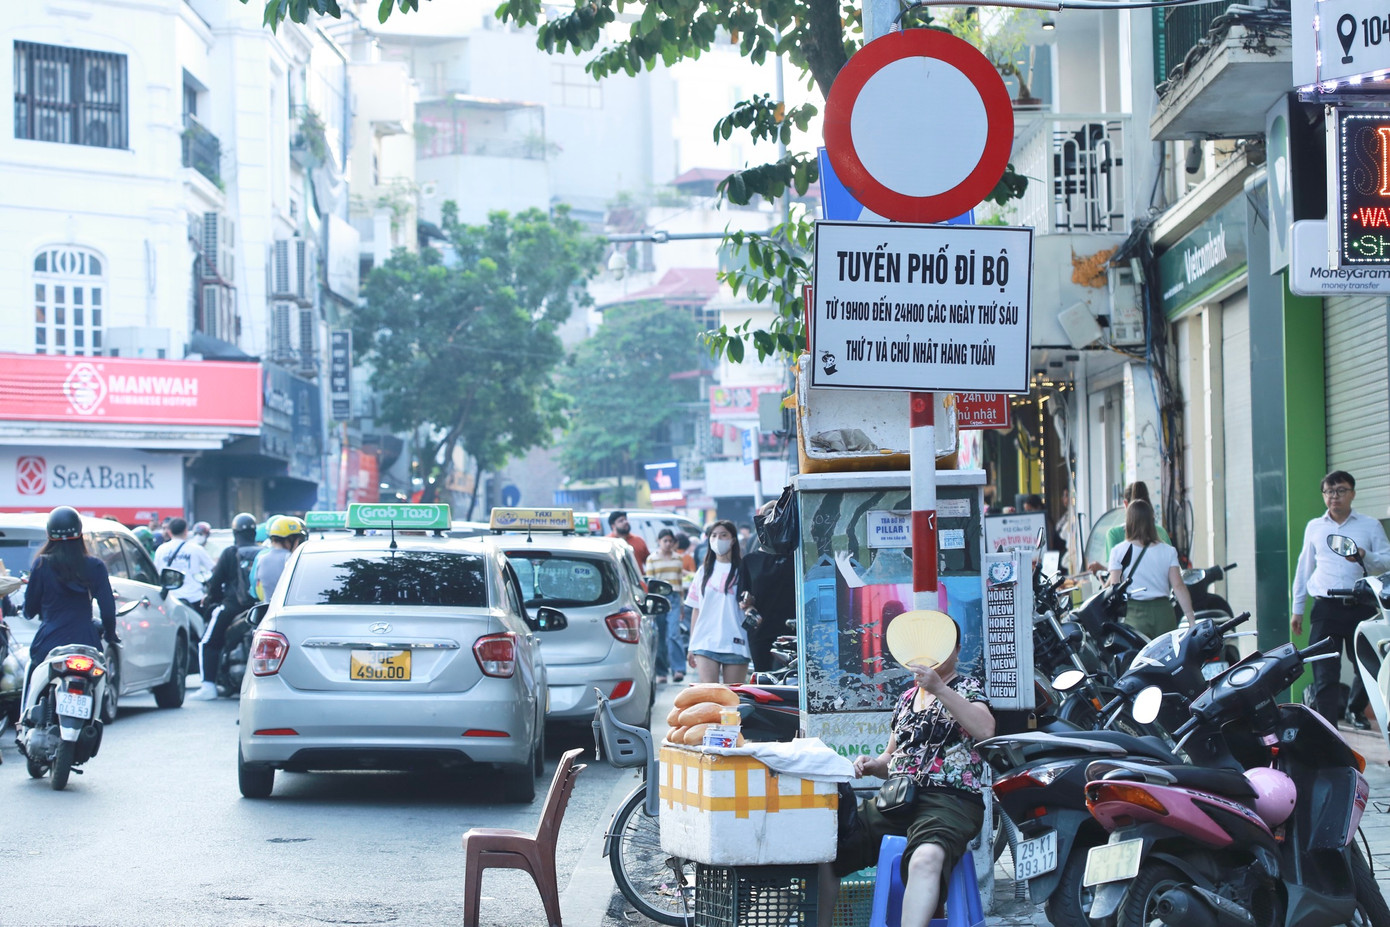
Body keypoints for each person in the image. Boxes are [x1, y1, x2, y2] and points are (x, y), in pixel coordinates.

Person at [822, 637, 995, 927]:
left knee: (925, 858)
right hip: (898, 799)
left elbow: (986, 730)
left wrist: (939, 688)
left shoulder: (967, 688)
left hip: (950, 801)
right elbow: (892, 755)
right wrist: (874, 765)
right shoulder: (906, 698)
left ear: (956, 651)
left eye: (943, 644)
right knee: (827, 845)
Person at [1291, 470, 1390, 728]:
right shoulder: (1315, 527)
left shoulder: (1369, 525)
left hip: (1362, 606)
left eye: (1341, 491)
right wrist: (1297, 609)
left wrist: (1364, 555)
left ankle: (1355, 709)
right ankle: (1326, 727)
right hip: (1326, 607)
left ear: (1352, 493)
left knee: (1368, 666)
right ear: (1324, 495)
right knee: (1325, 670)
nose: (1335, 496)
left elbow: (1387, 561)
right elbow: (1304, 568)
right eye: (1329, 491)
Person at [20, 507, 119, 715]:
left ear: (49, 534)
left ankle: (26, 718)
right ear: (80, 533)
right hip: (87, 643)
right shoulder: (95, 566)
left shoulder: (41, 565)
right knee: (96, 687)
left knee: (33, 677)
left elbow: (29, 610)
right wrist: (110, 634)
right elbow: (108, 611)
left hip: (49, 642)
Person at [193, 513, 261, 701]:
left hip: (232, 606)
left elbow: (216, 582)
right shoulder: (262, 552)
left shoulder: (230, 553)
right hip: (260, 608)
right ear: (254, 532)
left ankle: (208, 685)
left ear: (235, 532)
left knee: (208, 642)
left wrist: (211, 598)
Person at [1107, 499, 1195, 639]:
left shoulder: (1118, 551)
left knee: (1139, 658)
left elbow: (1115, 588)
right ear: (1151, 520)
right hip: (1164, 613)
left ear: (1129, 521)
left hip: (1135, 614)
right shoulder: (1168, 551)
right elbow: (1178, 586)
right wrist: (1190, 618)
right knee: (1167, 659)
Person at [684, 520, 755, 684]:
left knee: (732, 700)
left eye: (723, 535)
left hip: (736, 642)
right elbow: (696, 609)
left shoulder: (743, 571)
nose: (718, 539)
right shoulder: (703, 571)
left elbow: (752, 605)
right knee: (710, 698)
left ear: (733, 540)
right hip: (705, 642)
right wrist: (691, 646)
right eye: (714, 535)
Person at [644, 529, 685, 684]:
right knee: (659, 634)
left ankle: (678, 669)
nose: (668, 544)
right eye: (665, 541)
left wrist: (681, 605)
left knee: (674, 633)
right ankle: (661, 672)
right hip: (658, 598)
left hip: (674, 598)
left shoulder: (678, 559)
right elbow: (650, 583)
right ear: (659, 541)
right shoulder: (651, 559)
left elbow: (680, 583)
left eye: (670, 541)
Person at [154, 517, 217, 615]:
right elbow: (213, 569)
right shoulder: (196, 549)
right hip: (194, 598)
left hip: (169, 599)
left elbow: (157, 572)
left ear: (170, 532)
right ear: (186, 531)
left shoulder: (161, 550)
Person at [254, 515, 308, 604]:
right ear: (291, 539)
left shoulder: (261, 559)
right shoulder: (291, 559)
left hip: (267, 611)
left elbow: (257, 589)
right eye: (298, 540)